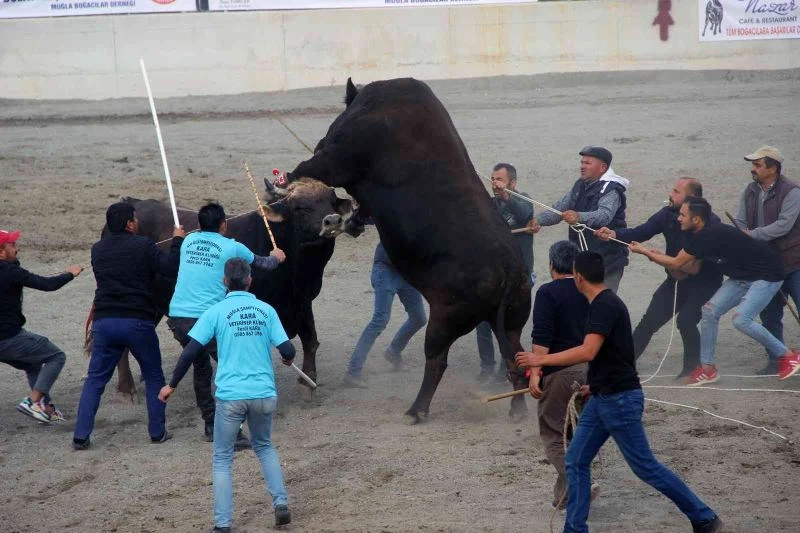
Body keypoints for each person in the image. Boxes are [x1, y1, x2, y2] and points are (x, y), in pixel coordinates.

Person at [516, 251, 722, 533]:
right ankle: (574, 529)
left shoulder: (604, 305)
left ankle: (704, 516)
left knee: (645, 467)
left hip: (620, 399)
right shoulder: (601, 302)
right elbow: (612, 355)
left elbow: (588, 351)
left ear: (578, 277)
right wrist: (595, 384)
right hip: (603, 396)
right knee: (576, 460)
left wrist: (541, 360)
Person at [159, 258, 295, 531]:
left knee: (222, 458)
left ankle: (223, 524)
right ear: (250, 280)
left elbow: (190, 350)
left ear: (224, 282)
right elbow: (288, 350)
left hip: (231, 396)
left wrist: (171, 384)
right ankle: (280, 503)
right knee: (265, 446)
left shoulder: (215, 312)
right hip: (263, 393)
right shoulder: (266, 310)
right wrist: (287, 359)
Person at [630, 197, 800, 385]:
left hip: (767, 275)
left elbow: (677, 263)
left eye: (683, 215)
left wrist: (646, 252)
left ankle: (788, 355)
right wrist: (658, 255)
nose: (679, 219)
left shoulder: (708, 234)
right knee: (709, 312)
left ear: (696, 220)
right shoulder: (699, 235)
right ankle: (708, 369)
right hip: (742, 277)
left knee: (741, 320)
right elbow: (689, 267)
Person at [167, 202, 286, 444]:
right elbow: (263, 265)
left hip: (178, 317)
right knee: (231, 368)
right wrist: (277, 257)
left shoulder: (188, 242)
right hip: (207, 318)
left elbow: (178, 248)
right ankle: (233, 427)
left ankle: (211, 424)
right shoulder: (232, 247)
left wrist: (177, 238)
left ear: (199, 225)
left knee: (201, 368)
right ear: (224, 225)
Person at [72, 203, 185, 449]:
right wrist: (177, 241)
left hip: (104, 323)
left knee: (94, 380)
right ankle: (157, 432)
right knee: (155, 376)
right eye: (134, 219)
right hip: (137, 322)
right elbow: (170, 269)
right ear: (129, 224)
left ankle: (80, 436)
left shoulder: (97, 250)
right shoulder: (143, 246)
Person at [595, 178, 722, 377]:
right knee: (649, 321)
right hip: (675, 279)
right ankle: (623, 364)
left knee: (686, 320)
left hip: (705, 283)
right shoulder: (668, 214)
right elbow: (640, 232)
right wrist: (613, 233)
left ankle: (693, 368)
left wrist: (654, 256)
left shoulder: (710, 224)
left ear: (693, 199)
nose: (670, 194)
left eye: (676, 191)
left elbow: (693, 268)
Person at [515, 241, 592, 510]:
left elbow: (542, 336)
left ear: (551, 266)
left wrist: (534, 373)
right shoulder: (589, 290)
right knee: (573, 434)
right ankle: (564, 497)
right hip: (588, 372)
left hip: (560, 374)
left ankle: (578, 482)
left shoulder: (548, 293)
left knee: (552, 434)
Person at [0, 228, 82, 423]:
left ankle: (45, 407)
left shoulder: (11, 270)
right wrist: (70, 274)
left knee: (33, 362)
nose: (17, 248)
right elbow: (47, 284)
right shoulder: (11, 272)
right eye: (12, 245)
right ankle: (32, 401)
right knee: (56, 355)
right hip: (8, 338)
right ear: (1, 252)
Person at [734, 146, 800, 374]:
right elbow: (741, 220)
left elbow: (784, 225)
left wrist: (752, 235)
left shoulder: (792, 191)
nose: (753, 169)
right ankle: (777, 361)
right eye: (753, 165)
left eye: (758, 165)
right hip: (767, 265)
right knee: (770, 314)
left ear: (773, 168)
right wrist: (742, 233)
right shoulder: (750, 190)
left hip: (793, 262)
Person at [528, 146, 629, 292]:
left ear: (602, 167)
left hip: (608, 262)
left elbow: (604, 216)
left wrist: (579, 216)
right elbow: (559, 209)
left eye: (587, 163)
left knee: (601, 304)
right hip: (583, 260)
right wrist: (538, 220)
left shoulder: (611, 190)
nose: (582, 166)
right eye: (582, 162)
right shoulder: (580, 185)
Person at [476, 163, 535, 384]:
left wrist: (507, 197)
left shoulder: (523, 200)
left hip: (518, 280)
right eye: (492, 178)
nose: (494, 183)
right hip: (493, 278)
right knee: (482, 324)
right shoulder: (489, 205)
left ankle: (505, 370)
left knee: (510, 327)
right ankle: (486, 368)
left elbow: (526, 213)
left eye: (499, 179)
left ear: (512, 183)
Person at [343, 240, 427, 388]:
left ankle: (393, 352)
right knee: (380, 320)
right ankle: (352, 373)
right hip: (385, 270)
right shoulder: (398, 217)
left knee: (419, 318)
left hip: (407, 273)